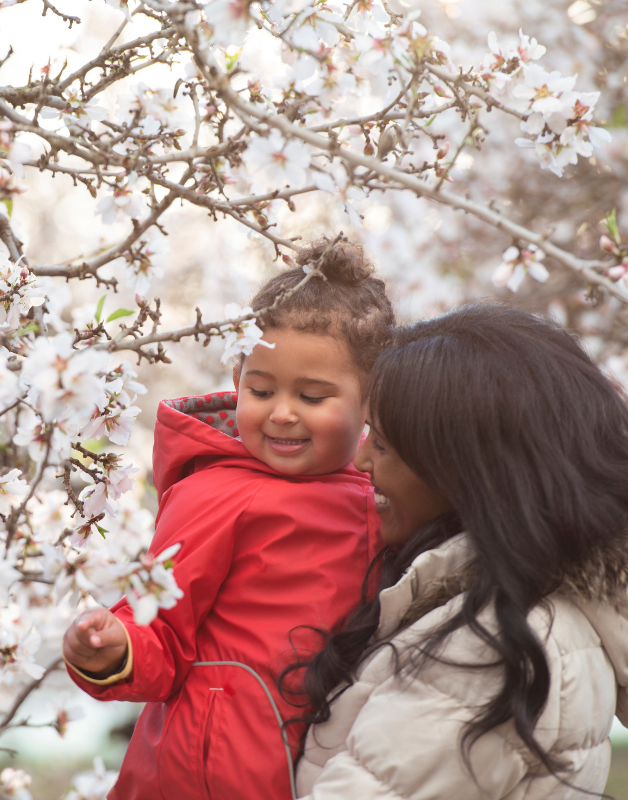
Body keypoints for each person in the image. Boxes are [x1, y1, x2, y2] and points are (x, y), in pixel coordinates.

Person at [290, 304, 628, 800]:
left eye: (386, 445)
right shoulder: (497, 612)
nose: (360, 458)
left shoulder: (495, 650)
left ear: (468, 473)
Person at [62, 237, 394, 800]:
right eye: (261, 390)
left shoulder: (387, 487)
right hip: (216, 770)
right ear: (238, 377)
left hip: (335, 758)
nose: (282, 412)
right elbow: (161, 629)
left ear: (372, 399)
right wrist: (117, 647)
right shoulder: (216, 495)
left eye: (313, 397)